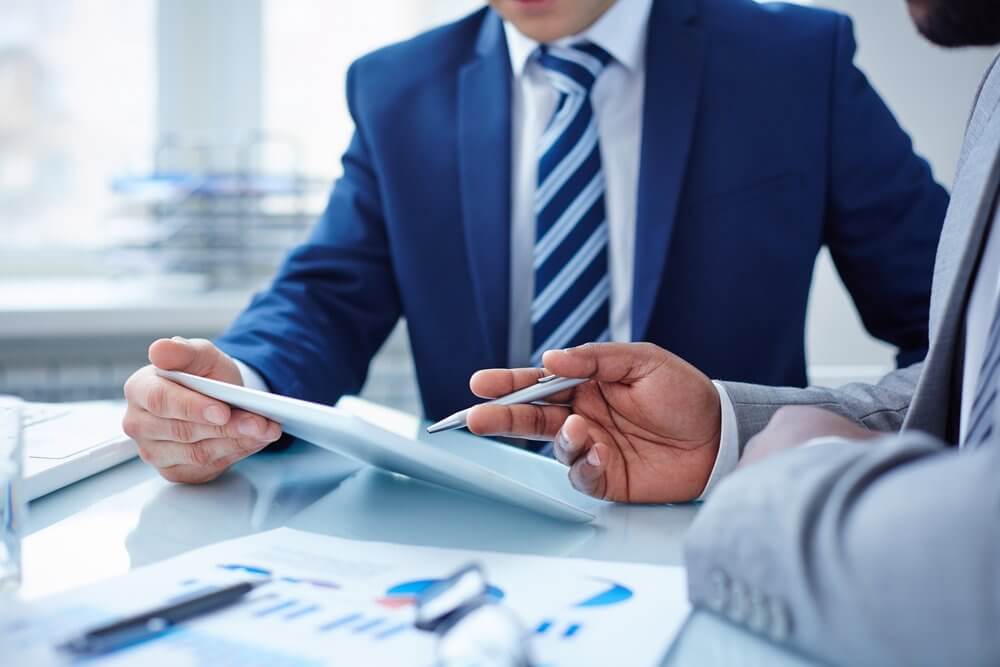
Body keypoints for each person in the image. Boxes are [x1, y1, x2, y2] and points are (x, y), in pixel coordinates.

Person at [122, 0, 948, 484]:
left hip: (728, 515)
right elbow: (326, 295)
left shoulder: (793, 60)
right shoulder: (397, 86)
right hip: (476, 528)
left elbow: (954, 314)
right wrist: (234, 386)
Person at [465, 1, 1000, 663]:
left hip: (728, 596)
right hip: (477, 562)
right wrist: (730, 430)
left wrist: (784, 482)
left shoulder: (797, 55)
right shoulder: (394, 84)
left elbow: (935, 329)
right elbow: (975, 382)